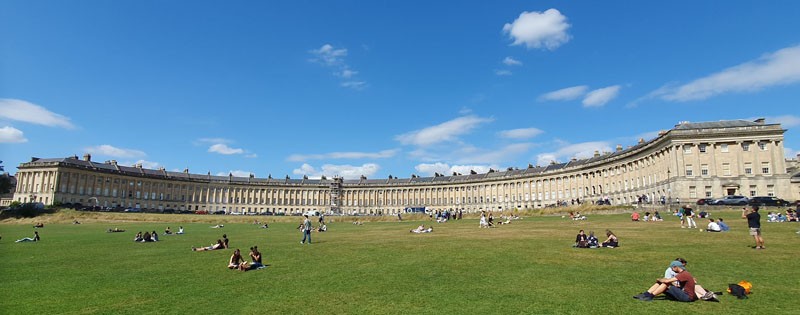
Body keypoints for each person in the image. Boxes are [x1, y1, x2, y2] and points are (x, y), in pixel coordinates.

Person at [633, 260, 697, 302]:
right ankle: (645, 294)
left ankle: (650, 296)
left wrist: (659, 279)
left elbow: (667, 281)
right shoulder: (683, 273)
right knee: (661, 282)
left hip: (687, 297)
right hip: (683, 294)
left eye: (672, 268)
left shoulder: (684, 274)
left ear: (676, 267)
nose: (672, 270)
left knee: (666, 284)